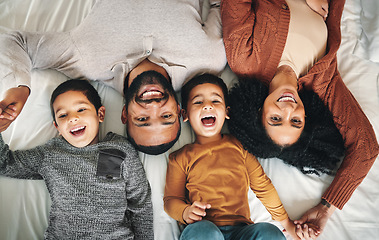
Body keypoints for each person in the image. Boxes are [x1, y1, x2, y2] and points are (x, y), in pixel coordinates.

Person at [221, 0, 379, 238]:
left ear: (259, 113)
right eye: (296, 121)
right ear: (306, 117)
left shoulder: (244, 59)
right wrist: (326, 209)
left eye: (275, 118)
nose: (288, 109)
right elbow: (365, 148)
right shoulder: (322, 81)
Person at [0, 0, 227, 155]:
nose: (153, 106)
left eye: (143, 119)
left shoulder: (87, 60)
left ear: (124, 115)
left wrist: (19, 87)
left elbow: (18, 42)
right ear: (179, 110)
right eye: (166, 116)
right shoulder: (209, 58)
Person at [0, 79, 154, 239]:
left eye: (81, 109)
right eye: (63, 115)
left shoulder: (120, 150)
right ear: (57, 127)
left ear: (100, 114)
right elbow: (5, 163)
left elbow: (140, 203)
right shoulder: (51, 154)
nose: (72, 118)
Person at [163, 74, 300, 240]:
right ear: (184, 114)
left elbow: (263, 186)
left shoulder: (239, 146)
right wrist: (185, 212)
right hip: (204, 228)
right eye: (198, 102)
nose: (207, 106)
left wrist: (286, 223)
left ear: (226, 112)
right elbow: (171, 200)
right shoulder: (180, 157)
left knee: (270, 233)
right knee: (204, 233)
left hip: (242, 231)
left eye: (215, 101)